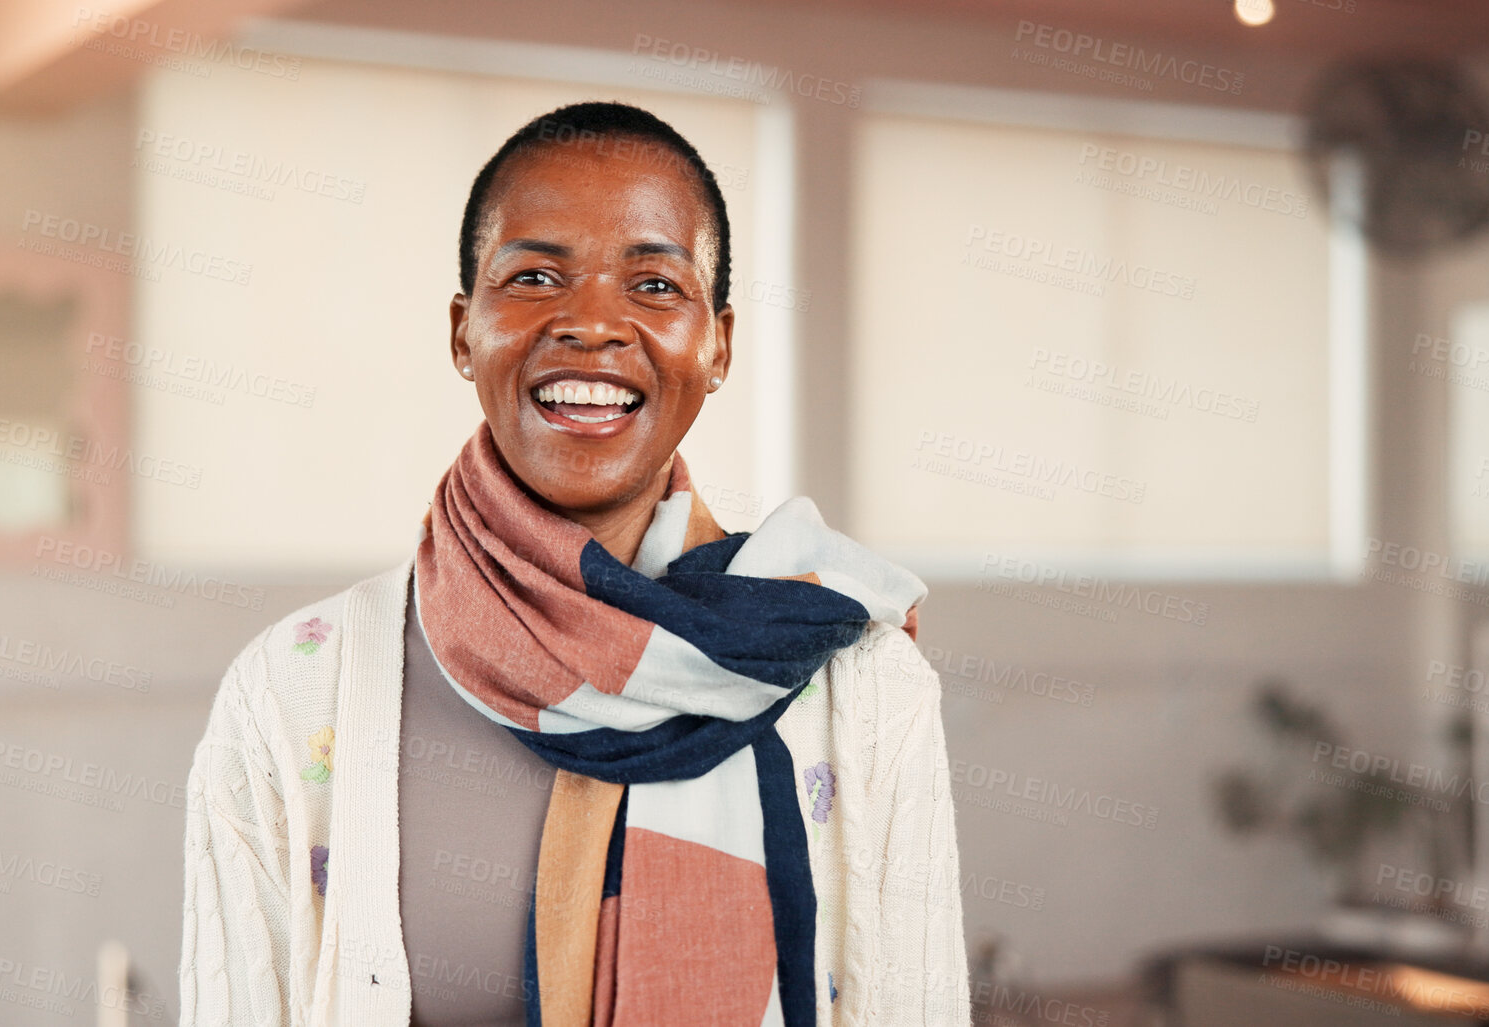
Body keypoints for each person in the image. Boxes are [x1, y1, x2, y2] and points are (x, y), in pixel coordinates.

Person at [179, 100, 970, 1026]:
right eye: (535, 275)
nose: (592, 323)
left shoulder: (862, 686)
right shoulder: (289, 691)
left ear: (718, 344)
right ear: (461, 331)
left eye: (655, 287)